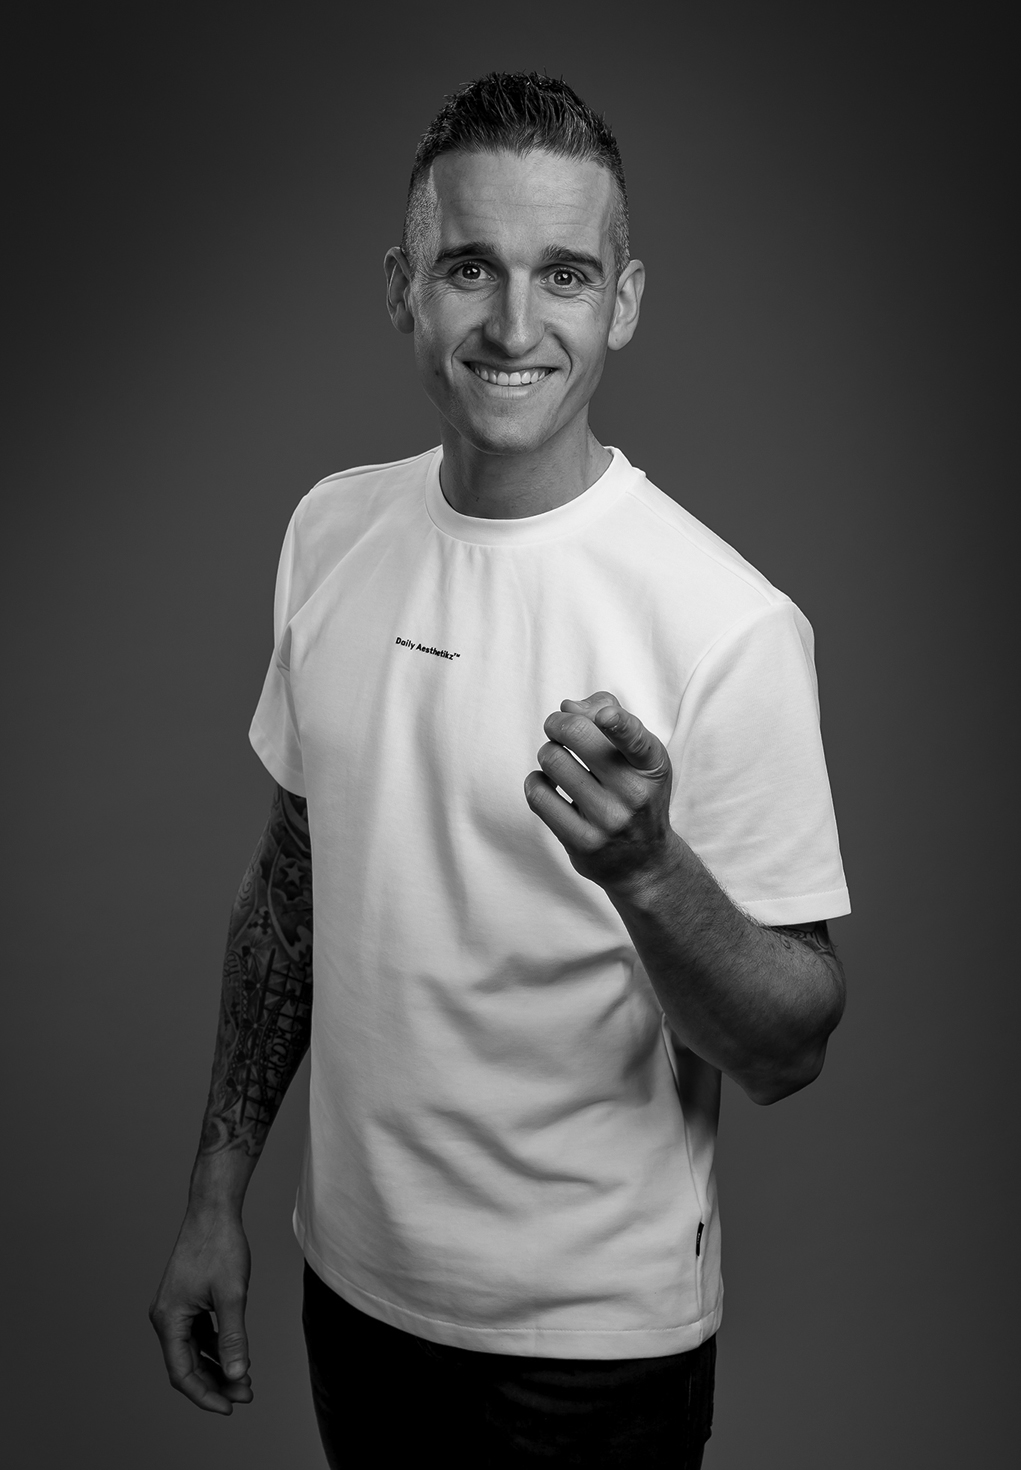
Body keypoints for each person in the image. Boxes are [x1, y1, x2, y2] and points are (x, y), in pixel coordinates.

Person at [150, 72, 849, 1467]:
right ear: (402, 289)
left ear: (623, 302)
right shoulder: (330, 532)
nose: (516, 326)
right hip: (352, 1295)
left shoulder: (727, 622)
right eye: (471, 267)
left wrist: (649, 872)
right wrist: (216, 1194)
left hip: (593, 1349)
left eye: (564, 275)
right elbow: (289, 891)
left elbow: (791, 1047)